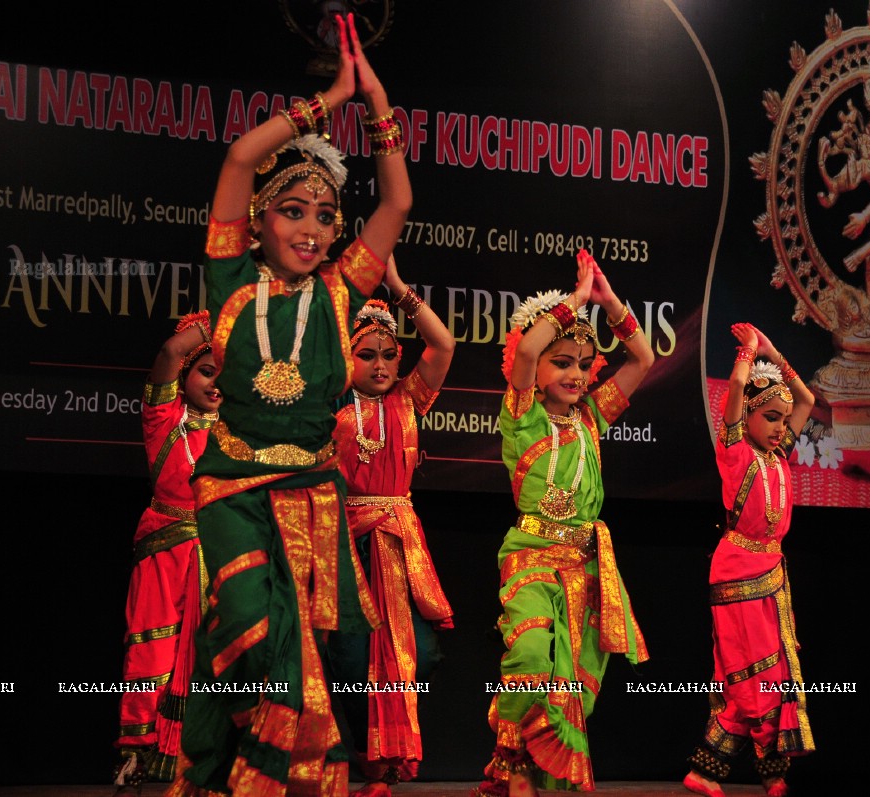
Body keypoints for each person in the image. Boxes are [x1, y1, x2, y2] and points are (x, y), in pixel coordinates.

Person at [168, 12, 412, 796]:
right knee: (249, 618)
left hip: (314, 494)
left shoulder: (343, 295)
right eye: (292, 210)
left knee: (317, 651)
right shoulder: (231, 284)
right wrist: (330, 99)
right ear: (260, 221)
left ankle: (263, 779)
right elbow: (241, 157)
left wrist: (377, 110)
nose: (311, 229)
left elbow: (397, 203)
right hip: (234, 488)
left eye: (324, 216)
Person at [476, 250, 654, 797]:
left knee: (575, 682)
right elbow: (528, 347)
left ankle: (528, 770)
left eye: (583, 362)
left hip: (585, 565)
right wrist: (573, 301)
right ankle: (513, 755)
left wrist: (609, 302)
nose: (576, 373)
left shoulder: (593, 418)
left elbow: (643, 358)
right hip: (531, 554)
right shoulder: (522, 413)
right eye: (563, 362)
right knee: (530, 655)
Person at [327, 256, 455, 797]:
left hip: (400, 550)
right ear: (346, 358)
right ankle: (365, 765)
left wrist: (400, 289)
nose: (380, 364)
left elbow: (444, 346)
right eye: (366, 355)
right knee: (352, 659)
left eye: (388, 355)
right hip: (345, 543)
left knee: (414, 655)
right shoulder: (329, 408)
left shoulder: (408, 400)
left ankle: (391, 764)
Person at [682, 324, 816, 797]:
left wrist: (776, 354)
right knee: (751, 673)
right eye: (772, 418)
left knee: (769, 673)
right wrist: (749, 352)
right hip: (737, 570)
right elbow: (738, 386)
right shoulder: (736, 452)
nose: (783, 426)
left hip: (773, 574)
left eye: (784, 420)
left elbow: (808, 401)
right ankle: (771, 772)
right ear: (749, 420)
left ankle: (711, 772)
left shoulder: (779, 455)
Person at [113, 312, 222, 795]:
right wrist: (225, 315)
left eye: (226, 374)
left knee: (215, 654)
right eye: (207, 371)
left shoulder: (239, 431)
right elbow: (169, 352)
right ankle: (137, 753)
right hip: (166, 548)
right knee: (151, 648)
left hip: (220, 551)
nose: (217, 385)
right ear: (186, 375)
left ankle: (204, 755)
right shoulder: (164, 417)